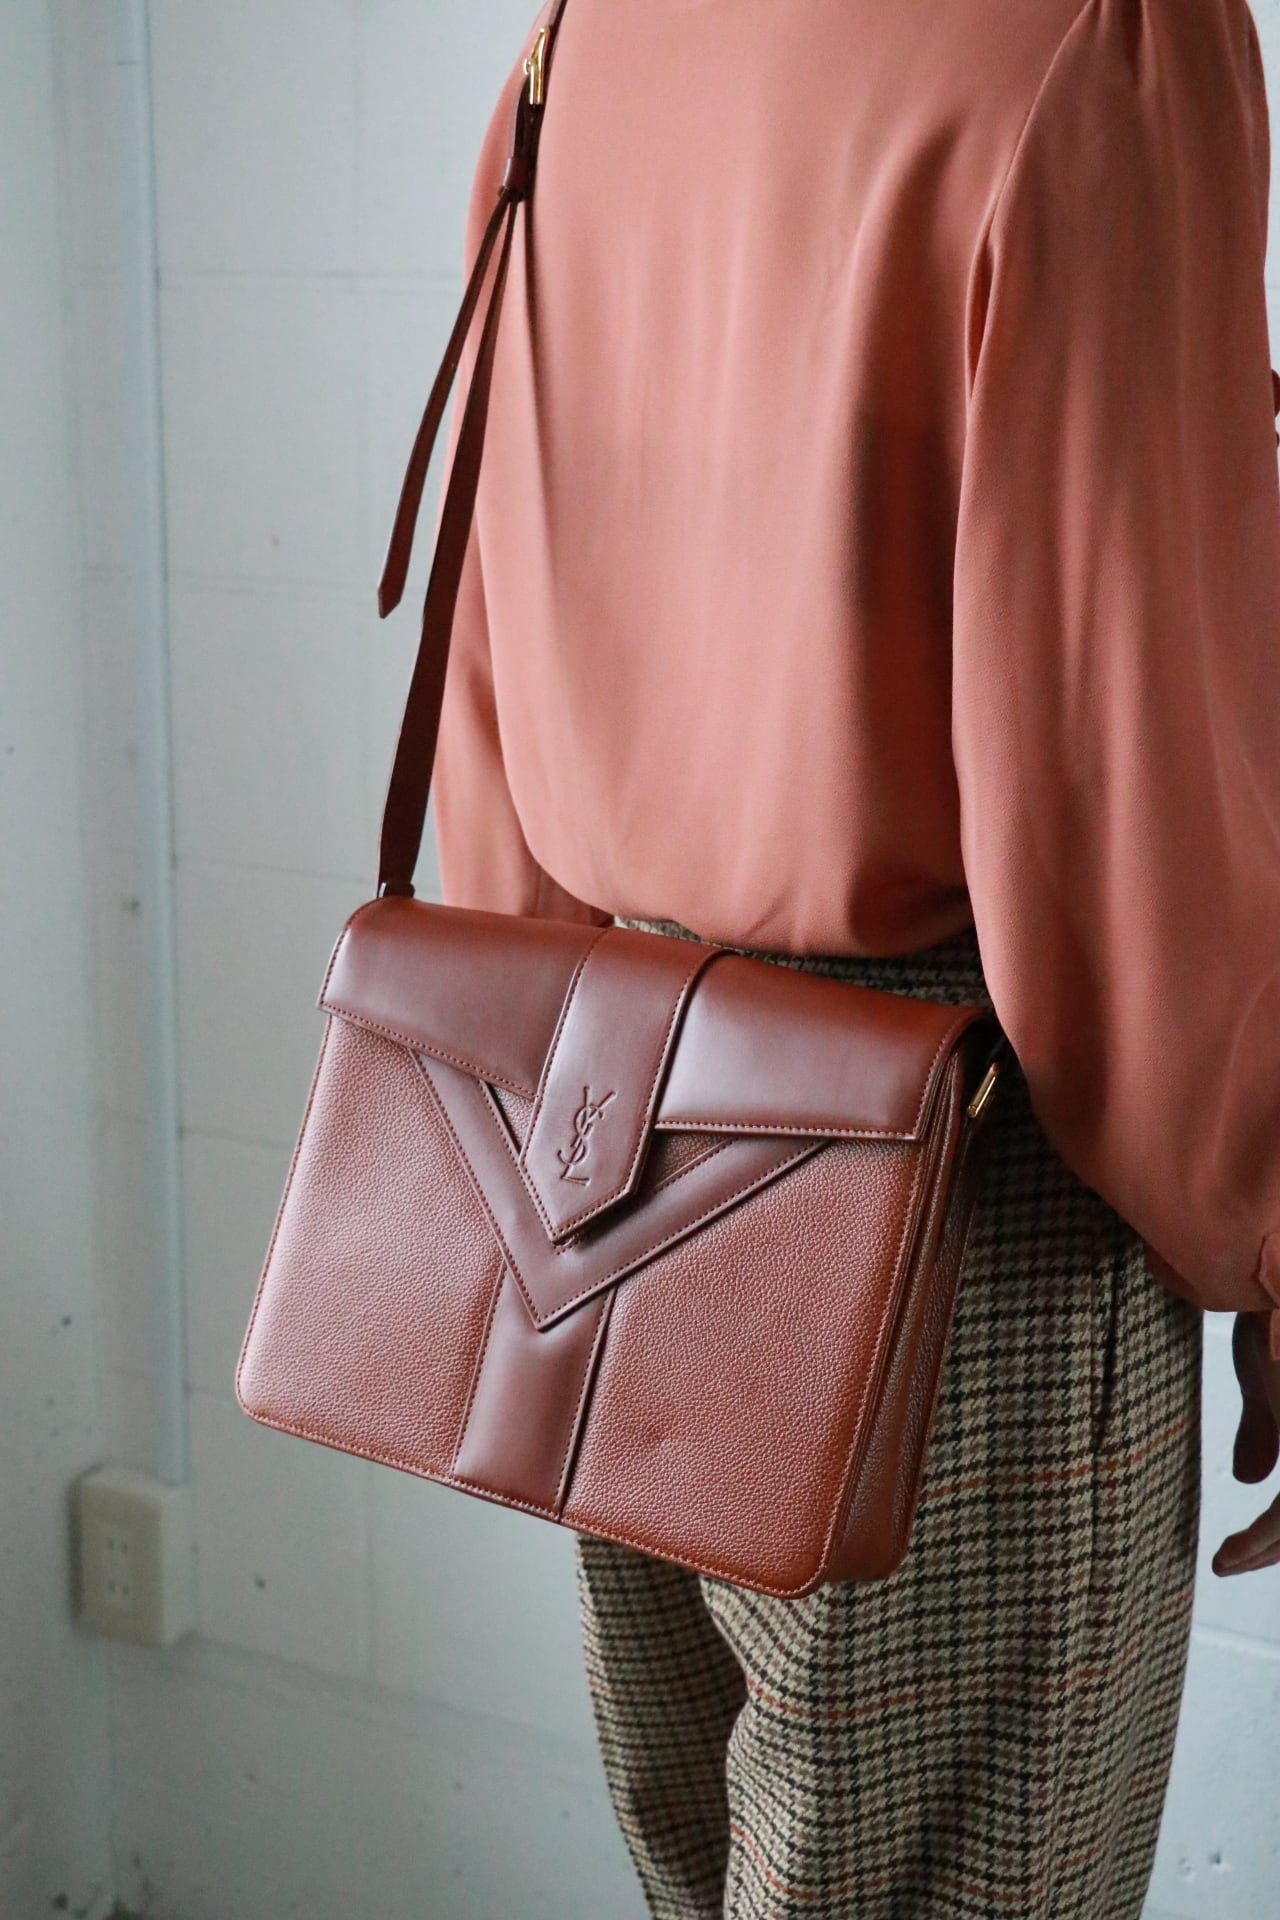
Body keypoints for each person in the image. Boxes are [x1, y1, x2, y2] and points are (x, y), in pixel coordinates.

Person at [428, 1, 1280, 1912]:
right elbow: (1124, 773)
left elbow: (494, 628)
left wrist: (549, 1124)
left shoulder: (590, 31)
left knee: (711, 1866)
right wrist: (1266, 1210)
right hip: (955, 1166)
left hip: (615, 1115)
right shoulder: (1104, 38)